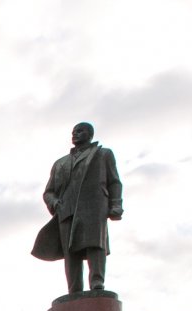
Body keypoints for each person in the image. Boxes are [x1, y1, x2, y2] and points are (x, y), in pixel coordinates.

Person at [31, 121, 124, 295]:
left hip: (94, 207)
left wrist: (116, 204)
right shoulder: (60, 163)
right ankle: (74, 290)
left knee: (95, 246)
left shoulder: (103, 154)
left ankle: (97, 282)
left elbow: (114, 182)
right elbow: (48, 192)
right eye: (73, 132)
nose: (75, 134)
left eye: (80, 131)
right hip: (66, 210)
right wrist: (55, 203)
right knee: (70, 253)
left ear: (90, 134)